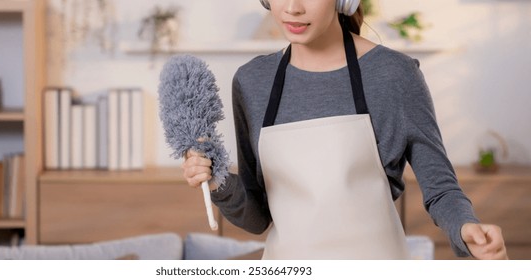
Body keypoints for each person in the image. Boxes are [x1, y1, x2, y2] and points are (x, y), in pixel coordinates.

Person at [182, 0, 508, 260]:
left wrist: (466, 227)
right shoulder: (252, 82)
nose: (292, 7)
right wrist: (217, 180)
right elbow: (257, 219)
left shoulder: (393, 74)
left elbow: (441, 189)